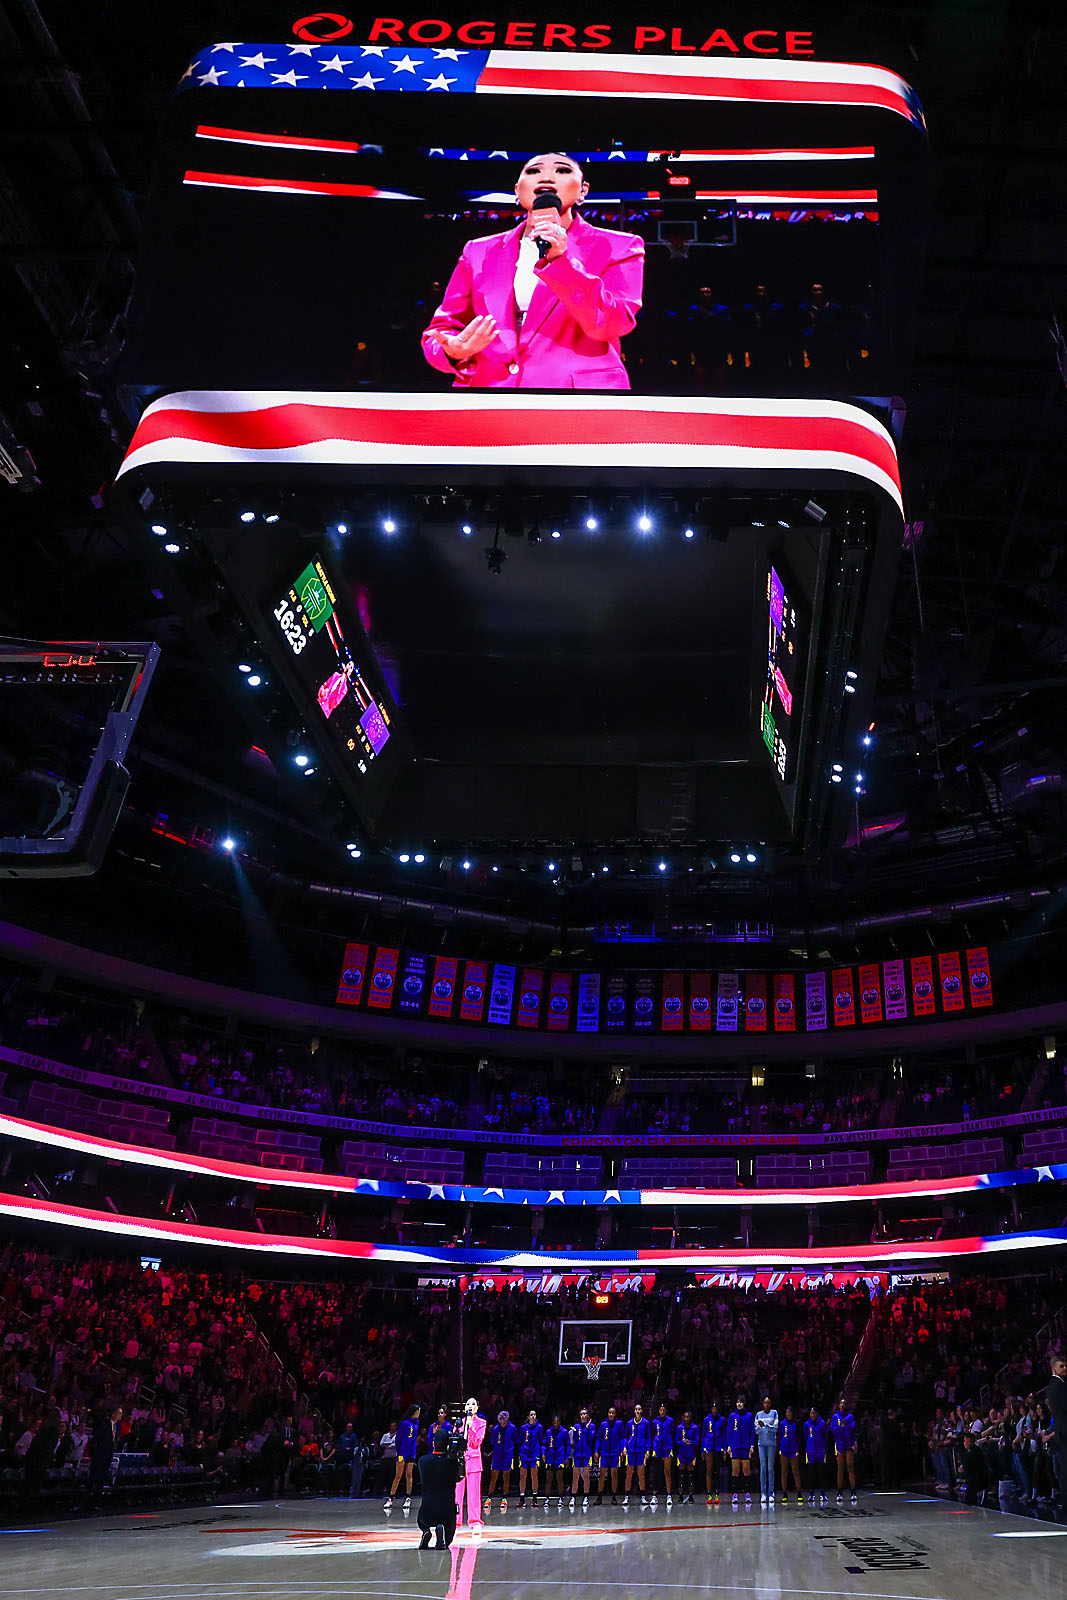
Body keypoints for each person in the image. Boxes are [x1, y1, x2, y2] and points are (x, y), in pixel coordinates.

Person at [421, 152, 645, 390]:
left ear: (583, 190)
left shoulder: (619, 246)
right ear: (517, 190)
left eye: (562, 170)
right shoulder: (478, 250)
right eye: (534, 171)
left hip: (577, 397)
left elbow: (612, 324)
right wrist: (455, 350)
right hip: (489, 394)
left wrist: (561, 261)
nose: (546, 177)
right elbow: (441, 330)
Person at [416, 1429, 462, 1549]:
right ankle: (443, 1536)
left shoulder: (422, 1461)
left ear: (433, 1443)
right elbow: (459, 1478)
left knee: (422, 1517)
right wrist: (459, 1457)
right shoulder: (451, 1463)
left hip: (426, 1513)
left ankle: (425, 1530)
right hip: (446, 1513)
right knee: (448, 1537)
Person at [455, 1397, 487, 1533]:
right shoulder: (458, 1423)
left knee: (473, 1493)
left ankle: (475, 1521)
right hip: (460, 1461)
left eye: (473, 1404)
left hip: (474, 1460)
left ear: (477, 1408)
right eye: (468, 1404)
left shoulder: (481, 1423)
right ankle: (455, 1520)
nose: (470, 1406)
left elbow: (476, 1442)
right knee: (457, 1493)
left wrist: (470, 1426)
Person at [385, 1404, 421, 1509]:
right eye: (418, 1411)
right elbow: (398, 1439)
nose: (419, 1414)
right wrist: (399, 1452)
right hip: (402, 1453)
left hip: (411, 1453)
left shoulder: (416, 1424)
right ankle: (391, 1498)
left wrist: (414, 1452)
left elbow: (413, 1440)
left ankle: (408, 1498)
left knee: (409, 1474)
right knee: (398, 1475)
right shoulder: (405, 1424)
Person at [88, 1403, 122, 1503]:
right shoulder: (104, 1424)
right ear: (113, 1414)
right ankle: (88, 1501)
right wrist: (95, 1455)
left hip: (108, 1457)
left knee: (101, 1480)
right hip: (99, 1456)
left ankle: (96, 1501)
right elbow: (96, 1439)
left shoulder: (118, 1426)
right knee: (94, 1478)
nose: (120, 1415)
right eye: (119, 1413)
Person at [486, 1409, 517, 1510]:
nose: (502, 1422)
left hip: (508, 1455)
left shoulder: (512, 1428)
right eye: (500, 1420)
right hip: (497, 1455)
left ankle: (504, 1497)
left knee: (506, 1476)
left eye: (503, 1420)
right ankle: (489, 1497)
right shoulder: (495, 1429)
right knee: (493, 1477)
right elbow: (493, 1442)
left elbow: (515, 1441)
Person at [727, 1397, 755, 1508]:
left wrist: (751, 1445)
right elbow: (729, 1431)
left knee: (746, 1470)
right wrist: (729, 1445)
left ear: (744, 1403)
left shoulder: (749, 1416)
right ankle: (734, 1494)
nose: (739, 1404)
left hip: (745, 1446)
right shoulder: (732, 1416)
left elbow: (752, 1431)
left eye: (741, 1402)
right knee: (735, 1470)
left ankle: (747, 1494)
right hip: (735, 1446)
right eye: (737, 1402)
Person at [622, 1402, 652, 1506]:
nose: (638, 1411)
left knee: (641, 1474)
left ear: (642, 1411)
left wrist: (648, 1450)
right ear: (634, 1411)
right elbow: (625, 1437)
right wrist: (624, 1447)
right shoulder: (630, 1423)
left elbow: (649, 1437)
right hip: (631, 1451)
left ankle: (643, 1496)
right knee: (629, 1474)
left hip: (641, 1451)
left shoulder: (646, 1423)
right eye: (636, 1409)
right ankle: (626, 1496)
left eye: (639, 1409)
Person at [594, 1404, 624, 1505]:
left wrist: (622, 1449)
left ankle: (614, 1496)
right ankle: (599, 1496)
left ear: (615, 1414)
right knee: (602, 1474)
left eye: (613, 1413)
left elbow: (622, 1438)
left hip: (615, 1453)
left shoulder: (619, 1424)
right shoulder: (603, 1424)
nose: (611, 1414)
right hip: (604, 1452)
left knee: (614, 1474)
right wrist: (596, 1451)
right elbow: (598, 1438)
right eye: (609, 1413)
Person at [830, 1397, 858, 1505]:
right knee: (840, 1468)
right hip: (840, 1444)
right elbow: (833, 1429)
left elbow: (852, 1428)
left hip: (849, 1443)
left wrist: (846, 1425)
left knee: (850, 1466)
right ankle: (839, 1492)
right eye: (841, 1403)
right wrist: (841, 1426)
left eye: (844, 1404)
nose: (843, 1405)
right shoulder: (835, 1417)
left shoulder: (850, 1417)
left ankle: (853, 1491)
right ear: (838, 1406)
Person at [1048, 1354, 1066, 1511]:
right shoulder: (1057, 1386)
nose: (1065, 1368)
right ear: (1054, 1368)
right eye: (1061, 1366)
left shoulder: (1057, 1385)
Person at [755, 1395, 779, 1508]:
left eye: (768, 1403)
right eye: (765, 1403)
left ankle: (771, 1493)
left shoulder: (774, 1413)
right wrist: (761, 1427)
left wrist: (765, 1425)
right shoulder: (758, 1414)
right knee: (763, 1468)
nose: (766, 1405)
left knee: (770, 1468)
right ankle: (763, 1493)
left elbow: (775, 1429)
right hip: (761, 1444)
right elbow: (756, 1430)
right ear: (762, 1404)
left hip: (771, 1444)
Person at [570, 1405, 596, 1507]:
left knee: (586, 1476)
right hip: (577, 1455)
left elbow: (591, 1438)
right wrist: (574, 1434)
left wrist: (588, 1428)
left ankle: (586, 1497)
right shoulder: (576, 1427)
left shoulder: (591, 1426)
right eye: (581, 1414)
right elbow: (574, 1442)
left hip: (587, 1454)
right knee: (575, 1476)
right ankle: (573, 1497)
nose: (583, 1416)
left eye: (584, 1414)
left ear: (588, 1415)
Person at [650, 1401, 675, 1506]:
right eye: (660, 1410)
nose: (662, 1412)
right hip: (657, 1448)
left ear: (666, 1411)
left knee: (667, 1471)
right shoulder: (655, 1422)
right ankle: (654, 1495)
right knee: (656, 1472)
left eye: (664, 1410)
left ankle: (669, 1494)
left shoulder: (670, 1421)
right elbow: (653, 1434)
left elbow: (672, 1433)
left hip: (667, 1448)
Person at [541, 1413, 569, 1505]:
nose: (555, 1425)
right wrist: (543, 1454)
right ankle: (547, 1499)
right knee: (548, 1479)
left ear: (560, 1422)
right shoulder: (548, 1432)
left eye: (557, 1423)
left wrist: (567, 1457)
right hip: (550, 1458)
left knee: (559, 1479)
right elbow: (544, 1444)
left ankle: (560, 1498)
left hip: (560, 1458)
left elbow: (567, 1445)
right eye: (554, 1423)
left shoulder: (564, 1432)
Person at [518, 1408, 543, 1507]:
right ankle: (522, 1498)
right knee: (523, 1476)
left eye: (534, 1415)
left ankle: (535, 1498)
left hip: (535, 1454)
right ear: (528, 1417)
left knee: (534, 1476)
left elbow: (541, 1440)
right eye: (531, 1415)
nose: (533, 1416)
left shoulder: (540, 1427)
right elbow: (520, 1440)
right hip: (524, 1454)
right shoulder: (523, 1428)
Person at [703, 1401, 726, 1506]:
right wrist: (702, 1449)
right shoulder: (706, 1420)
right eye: (713, 1408)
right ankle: (709, 1493)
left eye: (716, 1408)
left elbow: (724, 1434)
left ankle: (717, 1493)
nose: (714, 1410)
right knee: (709, 1470)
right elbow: (703, 1434)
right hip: (708, 1446)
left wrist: (724, 1449)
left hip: (718, 1447)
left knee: (717, 1470)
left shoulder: (722, 1420)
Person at [805, 1406, 829, 1506]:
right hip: (810, 1452)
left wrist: (822, 1447)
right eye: (811, 1413)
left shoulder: (822, 1424)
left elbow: (825, 1436)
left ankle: (822, 1494)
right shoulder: (807, 1424)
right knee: (811, 1473)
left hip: (820, 1451)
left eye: (814, 1413)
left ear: (817, 1414)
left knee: (821, 1473)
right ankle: (811, 1494)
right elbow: (805, 1436)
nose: (813, 1415)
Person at [778, 1405, 802, 1505]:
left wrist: (796, 1446)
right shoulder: (782, 1424)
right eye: (787, 1412)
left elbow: (799, 1436)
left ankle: (799, 1492)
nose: (788, 1414)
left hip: (793, 1450)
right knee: (784, 1472)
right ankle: (784, 1493)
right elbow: (779, 1435)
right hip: (784, 1450)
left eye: (790, 1412)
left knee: (795, 1471)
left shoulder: (796, 1424)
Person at [676, 1410, 700, 1504]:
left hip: (691, 1454)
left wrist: (690, 1442)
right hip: (682, 1454)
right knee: (681, 1475)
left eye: (688, 1417)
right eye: (685, 1417)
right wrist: (683, 1442)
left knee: (690, 1475)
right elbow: (677, 1441)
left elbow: (697, 1441)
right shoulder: (679, 1428)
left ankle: (691, 1496)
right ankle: (680, 1496)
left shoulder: (695, 1428)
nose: (686, 1419)